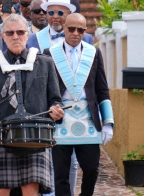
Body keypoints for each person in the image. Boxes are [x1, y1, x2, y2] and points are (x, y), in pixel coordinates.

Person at [0, 14, 64, 195]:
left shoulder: (44, 63)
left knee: (31, 191)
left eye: (20, 32)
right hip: (0, 136)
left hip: (35, 137)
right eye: (10, 33)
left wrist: (56, 111)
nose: (15, 36)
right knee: (0, 191)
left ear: (28, 34)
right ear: (3, 36)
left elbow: (55, 100)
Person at [43, 13, 114, 196]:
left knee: (91, 168)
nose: (75, 33)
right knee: (60, 173)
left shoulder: (94, 52)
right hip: (61, 117)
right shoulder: (50, 53)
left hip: (88, 118)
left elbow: (102, 89)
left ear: (85, 31)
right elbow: (45, 89)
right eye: (71, 29)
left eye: (80, 30)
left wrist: (108, 122)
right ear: (64, 28)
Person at [27, 0, 93, 52]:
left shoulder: (85, 38)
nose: (55, 16)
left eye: (60, 13)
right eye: (51, 12)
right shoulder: (34, 39)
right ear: (46, 13)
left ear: (69, 13)